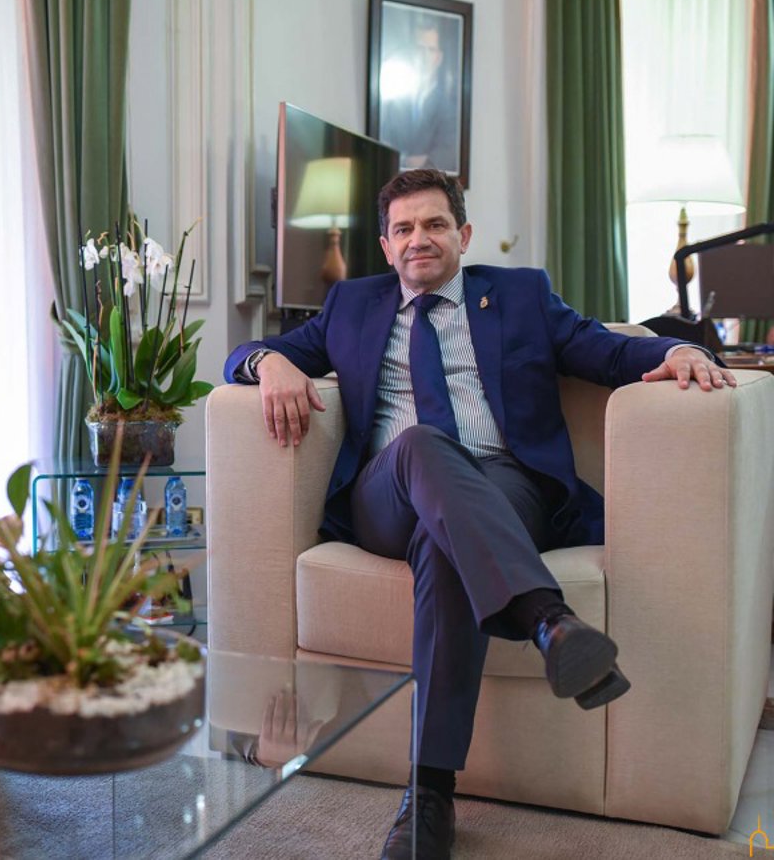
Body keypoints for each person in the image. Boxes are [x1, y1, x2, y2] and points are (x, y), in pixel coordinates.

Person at [223, 168, 734, 860]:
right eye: (404, 228)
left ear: (463, 235)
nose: (419, 239)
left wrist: (679, 347)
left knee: (445, 550)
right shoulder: (352, 305)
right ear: (386, 246)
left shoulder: (520, 296)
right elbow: (243, 355)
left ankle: (429, 797)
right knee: (419, 445)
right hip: (389, 495)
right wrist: (268, 361)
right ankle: (546, 621)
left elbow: (608, 349)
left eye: (435, 224)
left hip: (505, 487)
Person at [380, 21, 460, 173]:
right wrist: (406, 160)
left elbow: (447, 154)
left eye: (430, 50)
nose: (424, 55)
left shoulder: (449, 108)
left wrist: (420, 162)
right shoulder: (393, 101)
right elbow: (384, 141)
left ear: (438, 58)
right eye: (419, 48)